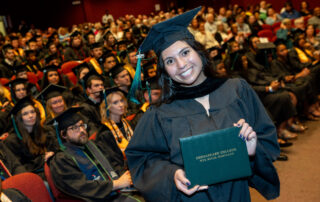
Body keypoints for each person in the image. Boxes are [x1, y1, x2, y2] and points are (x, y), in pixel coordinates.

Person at [125, 7, 280, 201]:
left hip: (237, 195)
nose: (181, 65)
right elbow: (141, 158)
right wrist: (171, 174)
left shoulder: (237, 90)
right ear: (164, 70)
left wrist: (252, 152)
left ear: (199, 52)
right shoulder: (159, 113)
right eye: (170, 60)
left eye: (185, 52)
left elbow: (267, 138)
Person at [48, 107, 139, 201]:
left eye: (82, 125)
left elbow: (113, 164)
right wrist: (116, 184)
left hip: (118, 192)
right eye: (75, 128)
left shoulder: (92, 145)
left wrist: (125, 176)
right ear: (63, 134)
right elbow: (81, 187)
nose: (82, 130)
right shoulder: (61, 159)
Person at [4, 97, 59, 179]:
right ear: (19, 118)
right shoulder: (12, 141)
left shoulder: (46, 131)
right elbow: (19, 168)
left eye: (32, 112)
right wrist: (42, 159)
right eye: (25, 114)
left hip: (54, 168)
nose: (31, 116)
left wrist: (52, 154)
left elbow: (57, 149)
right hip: (35, 176)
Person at [99, 87, 134, 157]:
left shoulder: (128, 123)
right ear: (107, 107)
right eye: (115, 102)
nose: (121, 105)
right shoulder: (105, 132)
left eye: (121, 101)